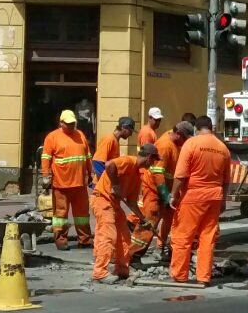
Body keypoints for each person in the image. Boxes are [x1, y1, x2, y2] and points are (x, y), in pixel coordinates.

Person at [168, 115, 231, 285]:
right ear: (212, 128)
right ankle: (203, 276)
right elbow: (226, 180)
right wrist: (223, 200)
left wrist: (173, 194)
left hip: (193, 196)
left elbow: (180, 175)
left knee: (183, 236)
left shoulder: (191, 144)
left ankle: (180, 275)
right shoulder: (223, 148)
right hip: (215, 197)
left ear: (196, 128)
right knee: (207, 237)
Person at [92, 144, 160, 283]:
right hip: (102, 199)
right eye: (153, 160)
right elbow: (109, 165)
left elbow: (132, 202)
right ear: (148, 158)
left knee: (124, 236)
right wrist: (115, 185)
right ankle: (100, 272)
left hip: (114, 204)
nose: (153, 164)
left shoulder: (136, 176)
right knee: (108, 235)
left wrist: (143, 219)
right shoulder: (129, 161)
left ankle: (122, 268)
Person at [131, 120, 192, 262]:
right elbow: (158, 172)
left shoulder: (176, 143)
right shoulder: (165, 145)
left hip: (167, 190)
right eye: (183, 138)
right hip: (155, 189)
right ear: (178, 134)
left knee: (170, 219)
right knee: (149, 221)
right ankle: (134, 254)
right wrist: (165, 195)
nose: (184, 142)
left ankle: (163, 246)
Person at [40, 109, 93, 250]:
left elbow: (87, 155)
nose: (71, 126)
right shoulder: (52, 137)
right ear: (61, 123)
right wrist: (45, 176)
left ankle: (85, 240)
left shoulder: (80, 135)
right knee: (60, 215)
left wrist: (91, 172)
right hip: (61, 184)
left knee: (82, 215)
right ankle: (61, 240)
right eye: (68, 124)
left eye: (73, 123)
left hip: (79, 183)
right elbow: (46, 158)